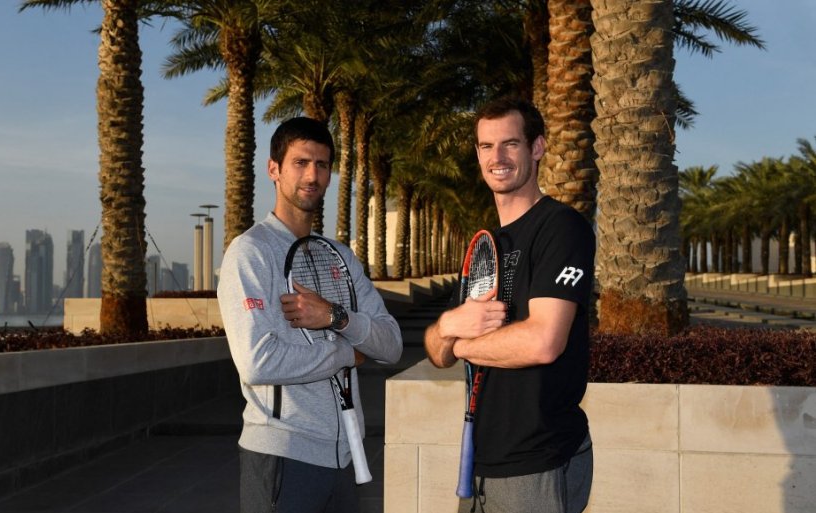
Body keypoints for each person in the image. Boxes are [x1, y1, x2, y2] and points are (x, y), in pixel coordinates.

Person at [219, 116, 403, 513]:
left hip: (344, 456)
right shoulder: (250, 253)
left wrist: (337, 317)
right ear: (274, 169)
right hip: (283, 455)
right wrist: (346, 352)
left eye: (321, 165)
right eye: (300, 162)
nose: (312, 175)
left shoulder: (340, 256)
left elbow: (391, 344)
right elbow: (257, 362)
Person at [424, 96, 595, 513]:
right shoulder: (487, 244)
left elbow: (543, 342)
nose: (496, 157)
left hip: (538, 461)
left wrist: (460, 342)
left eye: (510, 144)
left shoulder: (561, 228)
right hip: (482, 462)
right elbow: (436, 352)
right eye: (486, 146)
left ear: (537, 147)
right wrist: (447, 327)